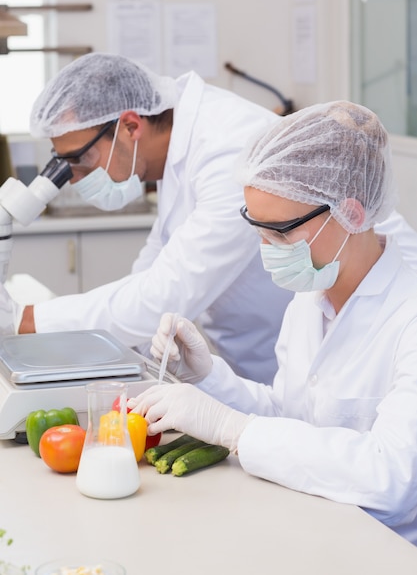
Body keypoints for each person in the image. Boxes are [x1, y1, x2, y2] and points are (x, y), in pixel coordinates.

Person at [128, 101, 417, 545]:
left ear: (353, 213)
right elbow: (292, 415)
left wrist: (234, 431)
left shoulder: (408, 315)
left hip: (386, 550)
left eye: (281, 232)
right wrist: (208, 379)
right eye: (258, 229)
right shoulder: (311, 297)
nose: (267, 249)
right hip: (311, 527)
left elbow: (391, 478)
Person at [1, 52, 294, 384]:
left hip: (294, 369)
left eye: (80, 158)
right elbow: (151, 270)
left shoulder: (229, 148)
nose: (73, 177)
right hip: (251, 367)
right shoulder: (177, 147)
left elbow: (166, 294)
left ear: (130, 125)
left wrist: (27, 320)